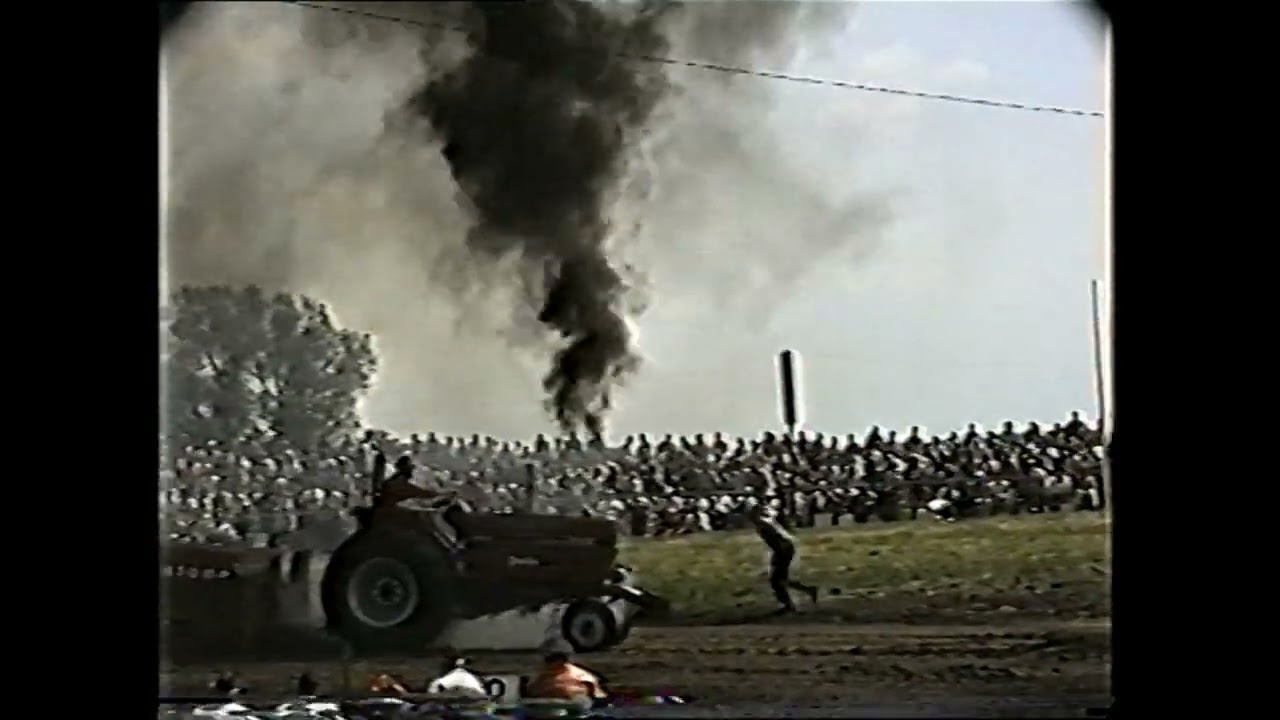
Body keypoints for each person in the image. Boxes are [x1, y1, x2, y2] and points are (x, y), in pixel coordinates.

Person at [747, 504, 819, 614]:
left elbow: (776, 540)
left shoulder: (763, 526)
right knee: (779, 580)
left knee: (776, 580)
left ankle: (791, 604)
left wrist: (777, 557)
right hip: (784, 550)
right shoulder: (764, 524)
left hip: (783, 551)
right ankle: (805, 592)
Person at [524, 638, 607, 709]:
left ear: (563, 658)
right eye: (547, 659)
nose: (550, 663)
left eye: (553, 659)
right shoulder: (539, 675)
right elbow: (531, 692)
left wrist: (567, 691)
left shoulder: (579, 674)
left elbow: (596, 695)